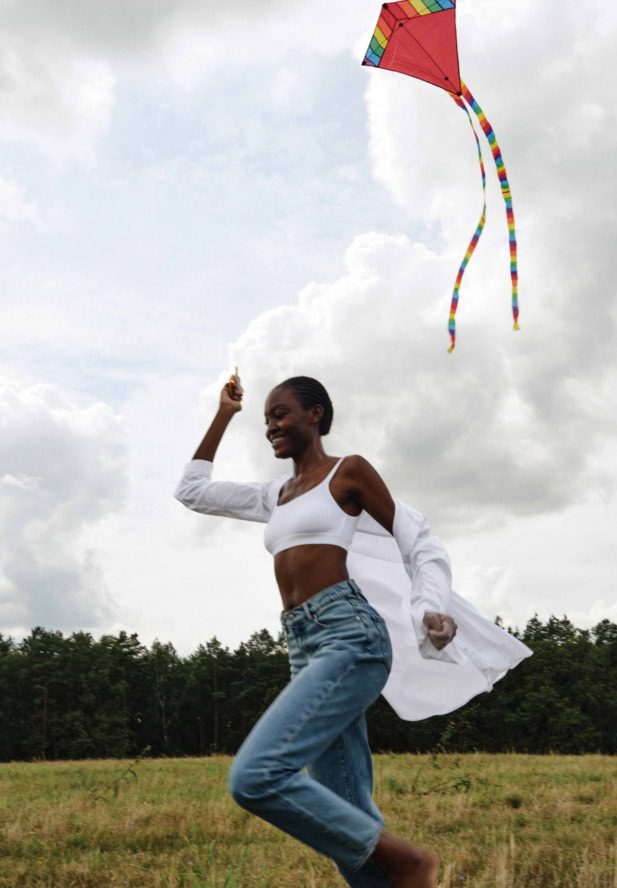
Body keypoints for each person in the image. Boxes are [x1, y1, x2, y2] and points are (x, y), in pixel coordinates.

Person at [175, 373, 532, 888]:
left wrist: (429, 606)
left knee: (255, 776)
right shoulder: (277, 494)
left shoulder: (349, 472)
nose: (271, 426)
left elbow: (419, 543)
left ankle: (411, 863)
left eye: (280, 414)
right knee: (344, 817)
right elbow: (193, 491)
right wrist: (225, 413)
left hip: (350, 635)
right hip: (302, 645)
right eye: (265, 419)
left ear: (315, 414)